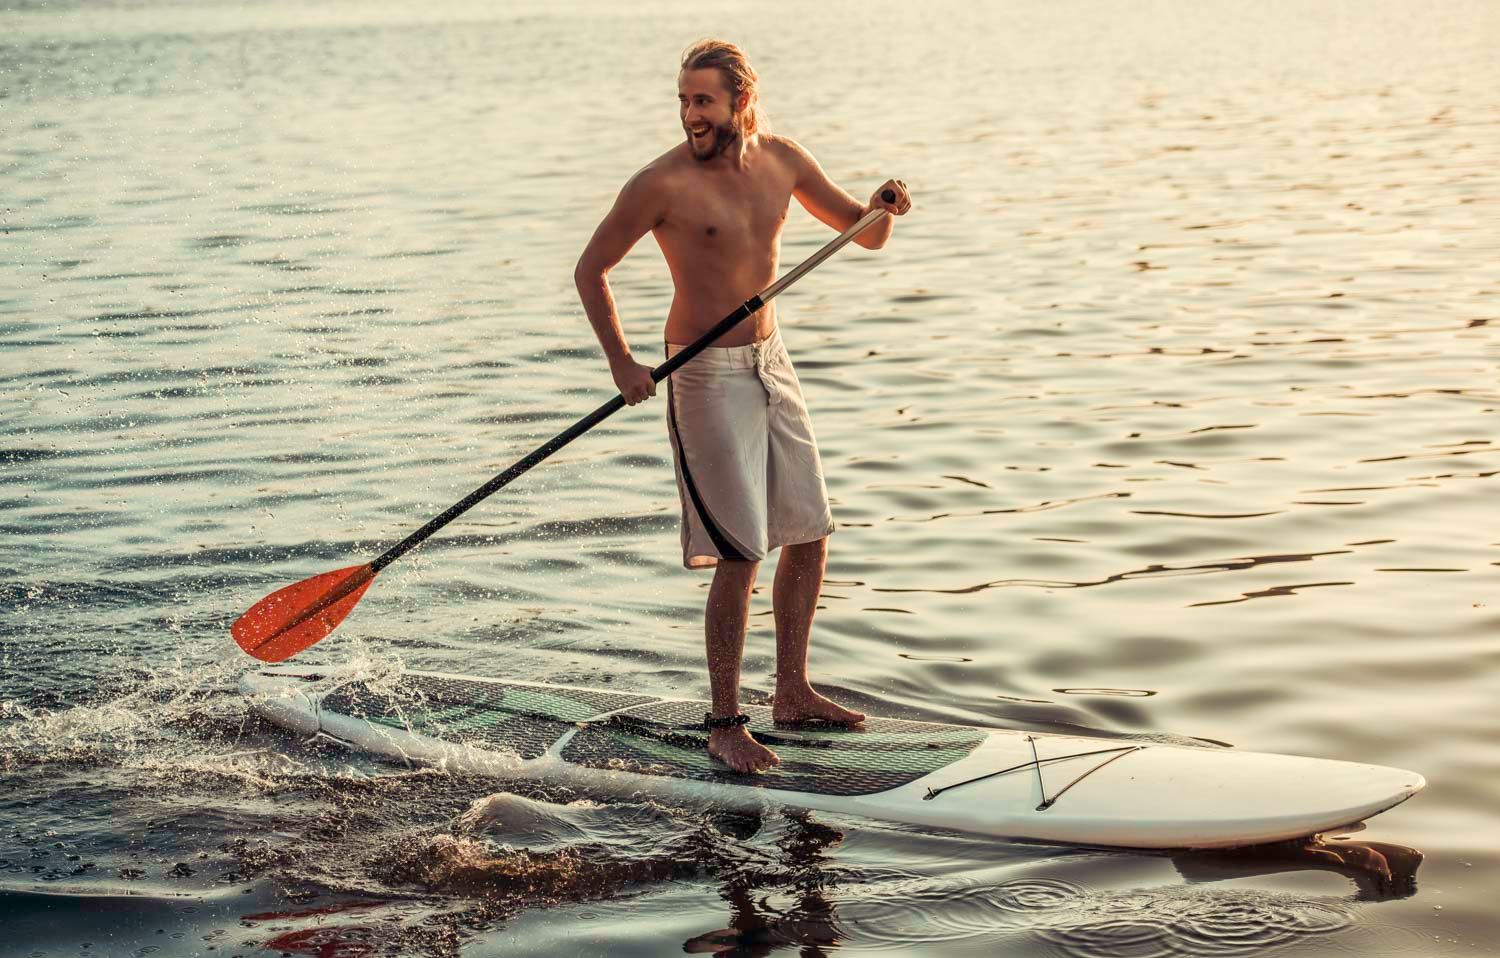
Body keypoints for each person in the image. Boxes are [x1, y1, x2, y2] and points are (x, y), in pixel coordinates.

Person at [574, 39, 911, 773]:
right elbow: (590, 270)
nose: (690, 115)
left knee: (811, 530)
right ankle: (725, 721)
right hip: (704, 377)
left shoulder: (784, 160)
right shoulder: (659, 183)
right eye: (683, 101)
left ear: (741, 102)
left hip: (771, 360)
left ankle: (791, 692)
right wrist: (622, 363)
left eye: (703, 100)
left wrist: (886, 207)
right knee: (740, 549)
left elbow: (866, 234)